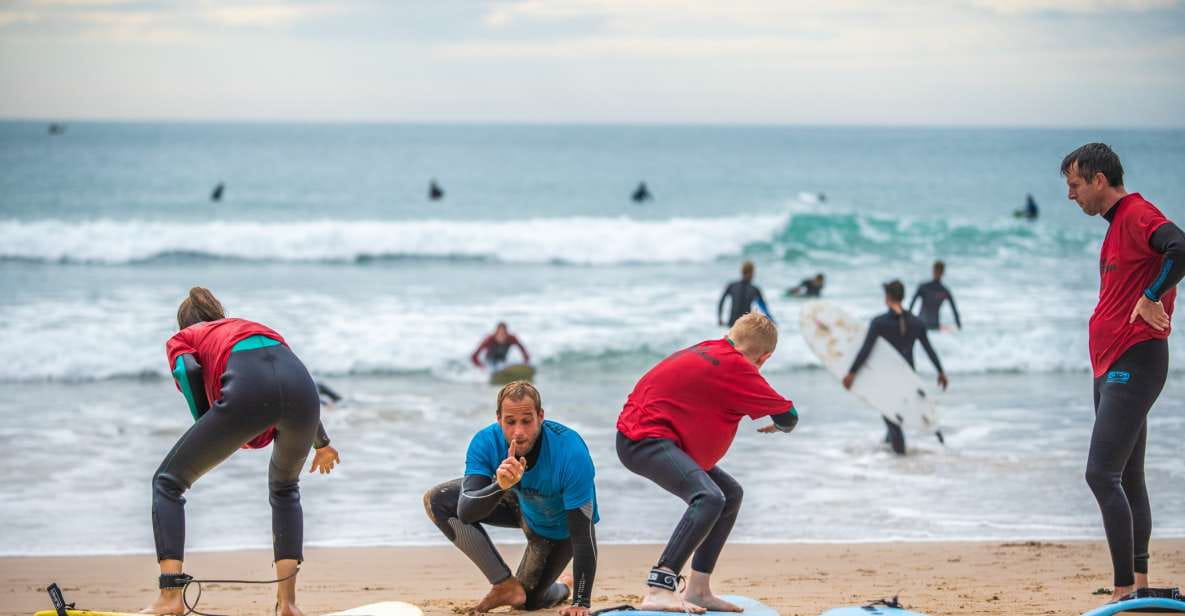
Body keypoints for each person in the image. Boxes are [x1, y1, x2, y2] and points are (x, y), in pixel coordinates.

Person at [143, 287, 341, 616]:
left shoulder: (185, 337)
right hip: (304, 391)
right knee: (285, 488)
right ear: (219, 313)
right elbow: (285, 376)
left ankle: (170, 597)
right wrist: (322, 443)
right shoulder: (252, 327)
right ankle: (288, 604)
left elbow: (187, 370)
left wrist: (205, 422)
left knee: (167, 482)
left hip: (250, 390)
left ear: (184, 323)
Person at [1061, 143, 1184, 603]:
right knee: (1128, 476)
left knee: (1101, 474)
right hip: (1112, 362)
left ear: (1099, 180)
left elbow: (1181, 247)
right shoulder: (1117, 226)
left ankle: (1123, 591)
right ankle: (1141, 587)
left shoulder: (1136, 214)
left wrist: (1152, 295)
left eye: (1075, 185)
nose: (1071, 195)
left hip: (1135, 359)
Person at [616, 313, 798, 613]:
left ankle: (698, 590)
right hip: (645, 440)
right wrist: (779, 426)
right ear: (764, 357)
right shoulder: (740, 368)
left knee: (729, 494)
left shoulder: (708, 347)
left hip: (645, 436)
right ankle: (659, 587)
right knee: (708, 497)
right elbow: (789, 416)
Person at [422, 381, 598, 616]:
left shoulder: (570, 451)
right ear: (499, 419)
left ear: (540, 417)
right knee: (438, 500)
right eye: (510, 421)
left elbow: (584, 533)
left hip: (554, 526)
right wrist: (500, 486)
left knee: (528, 602)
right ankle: (503, 583)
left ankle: (563, 587)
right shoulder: (485, 442)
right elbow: (466, 512)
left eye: (527, 421)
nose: (519, 432)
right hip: (515, 500)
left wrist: (581, 602)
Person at [844, 280, 948, 455]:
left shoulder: (879, 322)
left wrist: (852, 372)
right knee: (895, 415)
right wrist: (941, 372)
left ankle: (900, 459)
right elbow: (929, 349)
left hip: (888, 378)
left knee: (892, 418)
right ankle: (890, 451)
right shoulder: (916, 322)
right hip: (909, 377)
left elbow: (866, 349)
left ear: (888, 297)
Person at [908, 260, 962, 331]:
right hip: (935, 326)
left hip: (922, 324)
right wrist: (960, 328)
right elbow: (955, 312)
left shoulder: (924, 287)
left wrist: (907, 322)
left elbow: (911, 305)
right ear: (943, 273)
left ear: (933, 270)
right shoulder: (944, 291)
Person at [717, 261, 773, 327]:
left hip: (733, 323)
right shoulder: (754, 289)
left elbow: (721, 302)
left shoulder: (732, 286)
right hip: (746, 324)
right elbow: (763, 308)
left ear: (742, 271)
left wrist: (720, 318)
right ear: (752, 273)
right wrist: (771, 320)